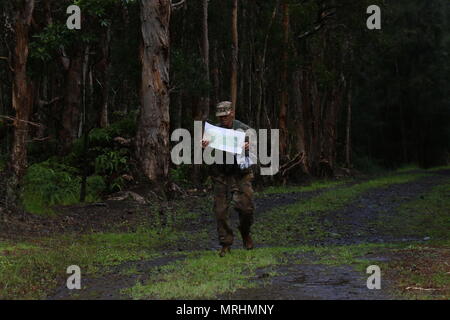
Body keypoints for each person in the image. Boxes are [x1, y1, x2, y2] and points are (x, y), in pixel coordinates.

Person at [202, 101, 256, 257]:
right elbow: (208, 155)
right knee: (220, 210)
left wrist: (248, 148)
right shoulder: (213, 131)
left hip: (241, 172)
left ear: (232, 113)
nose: (223, 119)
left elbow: (254, 154)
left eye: (225, 115)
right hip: (221, 173)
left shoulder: (244, 129)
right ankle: (226, 243)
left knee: (246, 207)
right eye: (220, 117)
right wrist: (205, 147)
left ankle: (245, 233)